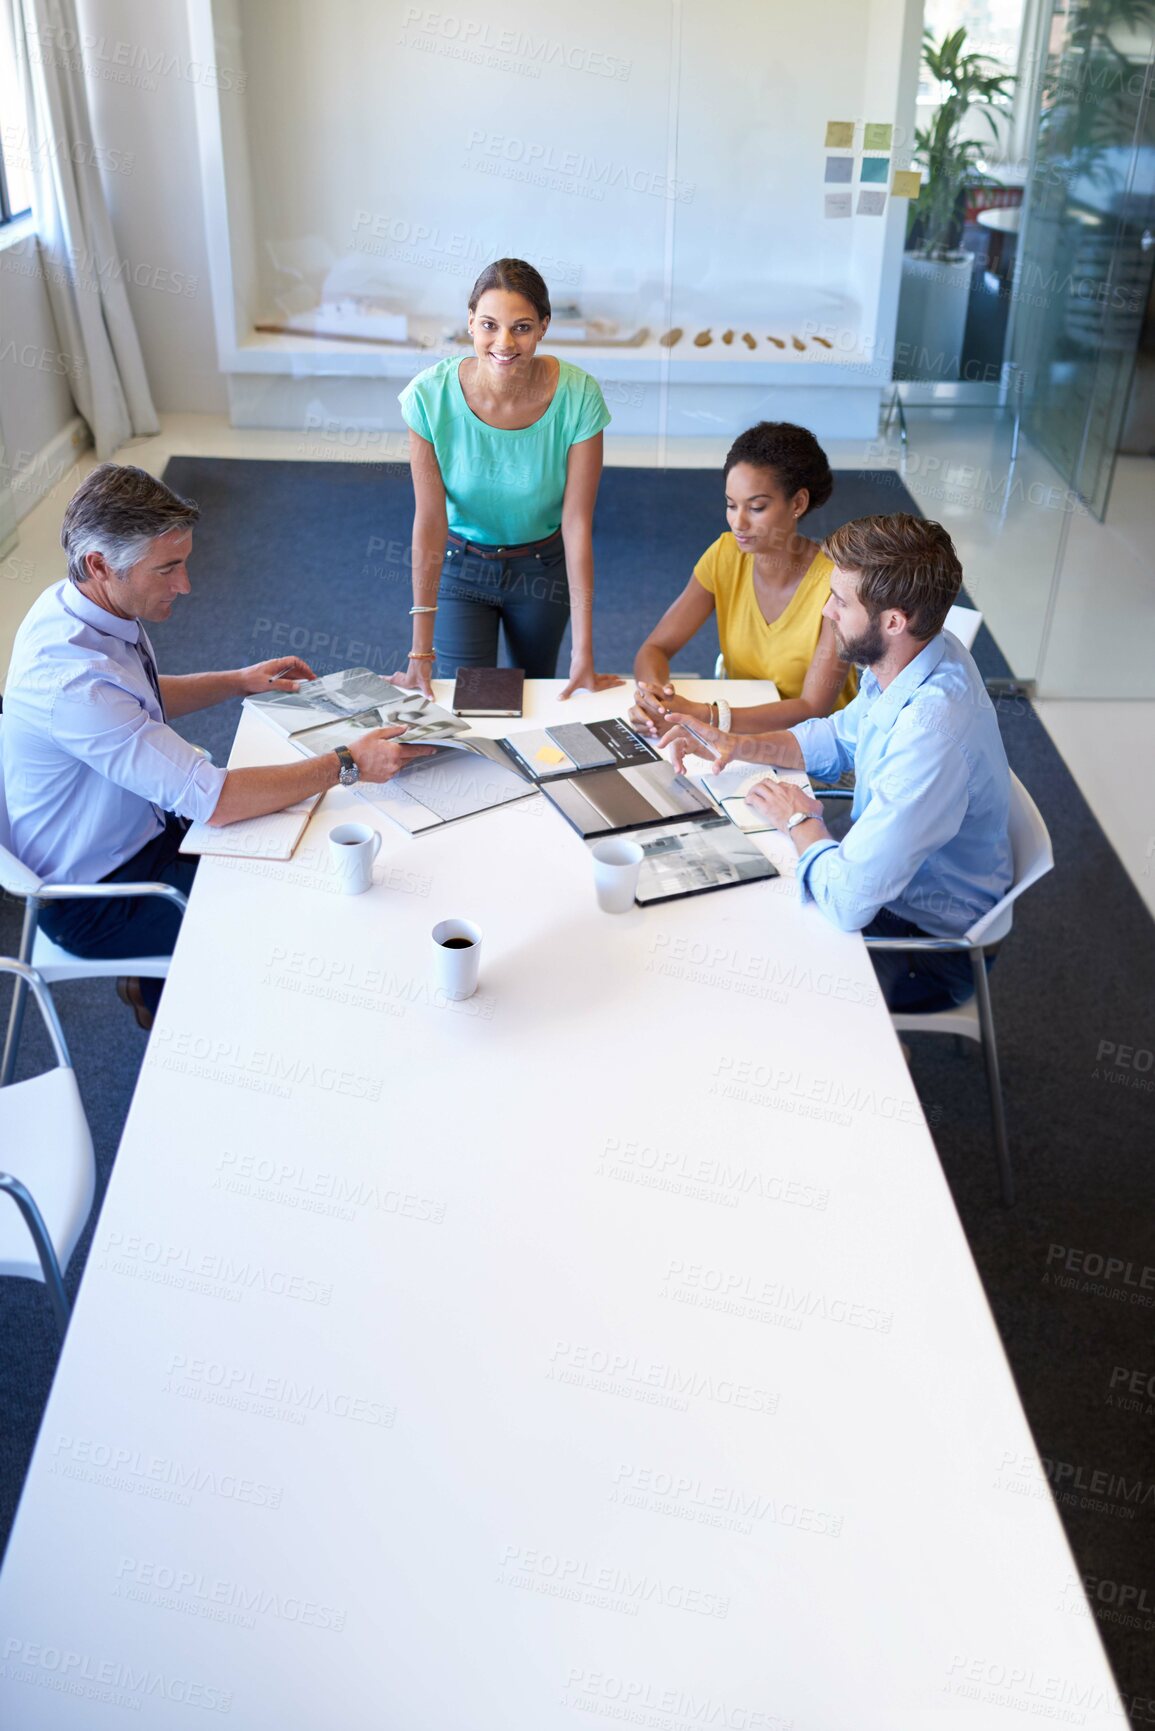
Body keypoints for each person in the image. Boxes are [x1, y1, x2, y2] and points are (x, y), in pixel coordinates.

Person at [2, 463, 434, 1029]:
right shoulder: (74, 684)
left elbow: (138, 702)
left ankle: (154, 988)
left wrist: (238, 680)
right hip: (99, 898)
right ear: (100, 565)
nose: (185, 586)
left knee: (295, 839)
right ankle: (186, 1006)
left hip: (143, 829)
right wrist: (350, 762)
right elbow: (217, 801)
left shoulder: (76, 606)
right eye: (168, 569)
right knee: (294, 910)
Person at [660, 513, 1012, 1012]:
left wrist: (799, 821)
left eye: (841, 602)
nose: (825, 612)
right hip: (891, 889)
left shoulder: (929, 739)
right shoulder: (919, 652)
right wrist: (736, 742)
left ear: (893, 620)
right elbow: (839, 737)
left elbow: (849, 903)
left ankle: (880, 1058)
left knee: (743, 962)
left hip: (927, 946)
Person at [395, 257, 622, 700]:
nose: (504, 342)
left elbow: (577, 524)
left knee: (537, 695)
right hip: (463, 567)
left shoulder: (579, 396)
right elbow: (429, 521)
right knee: (472, 700)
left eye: (521, 327)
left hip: (542, 567)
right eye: (489, 325)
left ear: (543, 327)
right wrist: (419, 654)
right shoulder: (428, 396)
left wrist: (584, 653)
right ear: (470, 324)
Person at [630, 422, 855, 739]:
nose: (739, 522)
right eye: (731, 505)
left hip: (818, 749)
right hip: (741, 733)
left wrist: (704, 714)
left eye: (757, 507)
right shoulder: (725, 555)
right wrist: (654, 697)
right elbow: (655, 648)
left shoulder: (837, 583)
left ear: (798, 504)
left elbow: (812, 708)